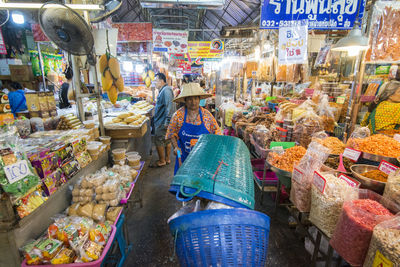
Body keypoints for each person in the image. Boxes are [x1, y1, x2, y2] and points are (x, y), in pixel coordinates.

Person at [166, 83, 222, 174]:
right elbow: (171, 134)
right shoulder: (178, 116)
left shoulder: (207, 116)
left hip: (203, 161)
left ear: (199, 99)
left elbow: (218, 134)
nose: (193, 102)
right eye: (190, 99)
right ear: (185, 100)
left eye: (196, 98)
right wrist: (176, 147)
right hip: (184, 159)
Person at [152, 73, 174, 167]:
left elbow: (170, 106)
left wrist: (167, 122)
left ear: (161, 81)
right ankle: (167, 159)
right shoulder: (164, 90)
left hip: (162, 122)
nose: (155, 83)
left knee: (159, 140)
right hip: (163, 121)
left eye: (156, 81)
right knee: (166, 140)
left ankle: (162, 160)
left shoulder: (166, 90)